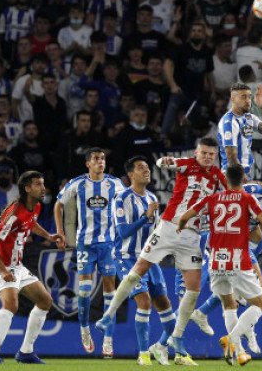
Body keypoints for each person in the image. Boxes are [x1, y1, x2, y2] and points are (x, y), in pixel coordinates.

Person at [96, 137, 226, 366]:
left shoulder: (217, 176)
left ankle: (176, 341)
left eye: (211, 154)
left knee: (193, 291)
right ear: (196, 152)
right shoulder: (188, 164)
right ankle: (108, 316)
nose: (207, 157)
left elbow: (233, 191)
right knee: (137, 272)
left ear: (215, 156)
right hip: (168, 228)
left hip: (192, 237)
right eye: (203, 152)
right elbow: (167, 163)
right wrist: (166, 161)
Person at [176, 164, 262, 366]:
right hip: (238, 259)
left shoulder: (212, 199)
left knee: (229, 305)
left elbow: (184, 216)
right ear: (243, 179)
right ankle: (232, 339)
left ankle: (239, 352)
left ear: (225, 180)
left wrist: (181, 228)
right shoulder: (247, 198)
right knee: (259, 305)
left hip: (216, 260)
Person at [0, 171, 62, 364]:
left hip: (17, 266)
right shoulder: (15, 213)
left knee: (45, 301)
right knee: (11, 305)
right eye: (37, 185)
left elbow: (31, 224)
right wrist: (2, 270)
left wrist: (49, 236)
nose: (43, 188)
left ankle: (26, 352)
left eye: (43, 184)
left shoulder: (36, 207)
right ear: (27, 189)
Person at [53, 148, 127, 356]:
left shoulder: (115, 184)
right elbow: (58, 204)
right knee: (84, 290)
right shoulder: (77, 183)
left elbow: (126, 205)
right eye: (96, 159)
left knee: (110, 291)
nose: (100, 162)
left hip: (108, 244)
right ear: (88, 164)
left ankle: (108, 341)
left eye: (102, 159)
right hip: (85, 243)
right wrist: (60, 231)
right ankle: (84, 329)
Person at [112, 156, 177, 365]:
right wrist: (145, 217)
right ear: (131, 174)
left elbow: (156, 231)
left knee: (166, 307)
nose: (146, 170)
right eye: (141, 168)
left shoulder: (151, 198)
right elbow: (122, 232)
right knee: (144, 302)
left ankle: (159, 347)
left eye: (148, 167)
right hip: (127, 257)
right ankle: (142, 354)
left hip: (149, 258)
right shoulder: (121, 198)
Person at [218, 82, 262, 175]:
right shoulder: (227, 121)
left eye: (249, 97)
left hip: (255, 169)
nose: (248, 100)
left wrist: (261, 107)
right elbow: (229, 152)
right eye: (243, 97)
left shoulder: (250, 118)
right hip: (236, 174)